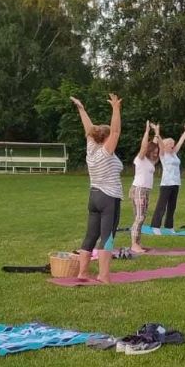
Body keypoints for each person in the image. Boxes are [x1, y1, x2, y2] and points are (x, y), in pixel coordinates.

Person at [70, 93, 123, 284]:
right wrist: (116, 109)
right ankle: (103, 275)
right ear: (106, 138)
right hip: (109, 198)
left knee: (90, 235)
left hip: (94, 197)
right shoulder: (106, 152)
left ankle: (83, 273)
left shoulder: (91, 148)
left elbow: (88, 129)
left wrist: (81, 109)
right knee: (107, 237)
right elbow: (115, 132)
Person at [150, 123, 185, 231]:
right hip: (166, 183)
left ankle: (169, 227)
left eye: (173, 144)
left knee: (172, 206)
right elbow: (159, 144)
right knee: (162, 206)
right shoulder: (163, 154)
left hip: (176, 183)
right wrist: (157, 132)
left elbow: (180, 143)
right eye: (170, 144)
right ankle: (155, 226)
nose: (173, 145)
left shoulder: (174, 154)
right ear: (166, 145)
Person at [130, 121, 160, 254]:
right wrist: (147, 131)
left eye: (157, 152)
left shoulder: (150, 161)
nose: (156, 154)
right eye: (154, 152)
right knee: (139, 217)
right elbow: (144, 147)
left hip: (145, 190)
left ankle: (137, 242)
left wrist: (157, 132)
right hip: (139, 189)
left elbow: (154, 144)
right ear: (149, 151)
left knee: (141, 216)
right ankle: (134, 244)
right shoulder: (141, 158)